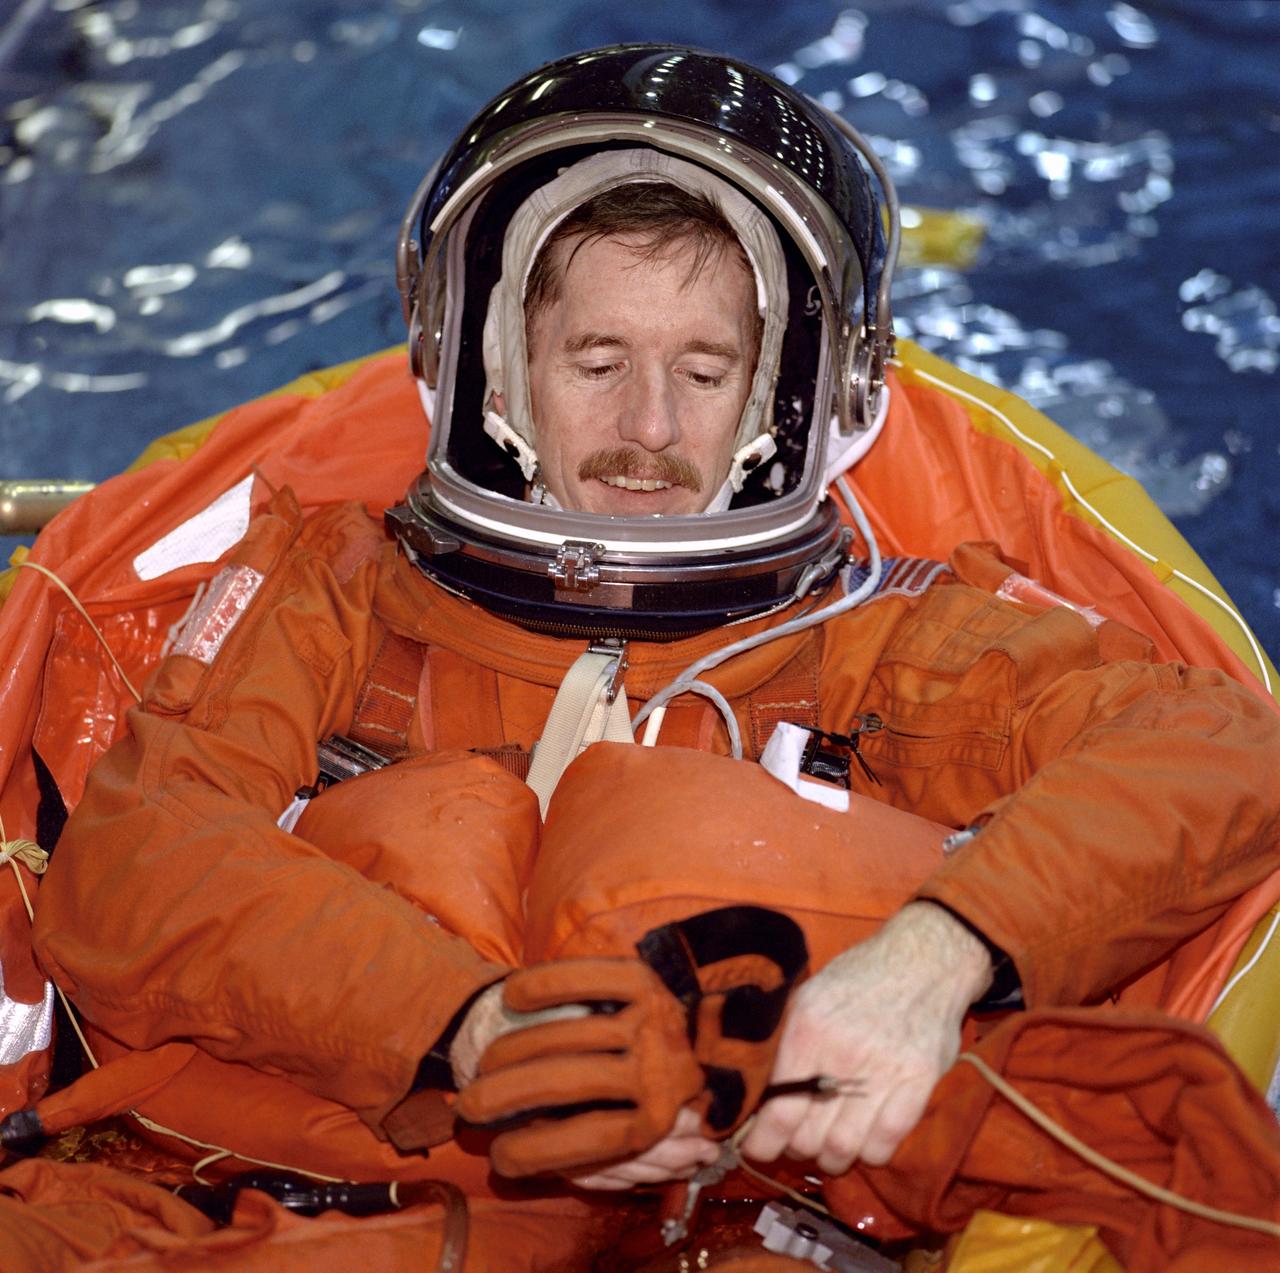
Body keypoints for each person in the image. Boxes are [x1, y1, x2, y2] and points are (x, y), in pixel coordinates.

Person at [27, 42, 1280, 1262]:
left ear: (780, 402)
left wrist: (931, 959)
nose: (647, 426)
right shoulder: (335, 591)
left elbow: (1218, 748)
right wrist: (462, 1026)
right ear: (500, 381)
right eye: (596, 360)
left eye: (702, 369)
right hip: (269, 1207)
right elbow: (140, 860)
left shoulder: (879, 648)